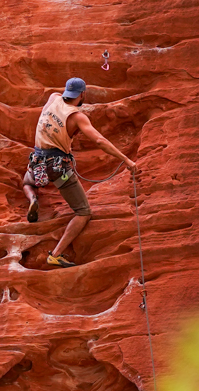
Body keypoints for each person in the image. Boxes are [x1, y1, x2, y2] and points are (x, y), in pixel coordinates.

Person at [23, 77, 136, 268]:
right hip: (58, 168)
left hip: (37, 162)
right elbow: (99, 141)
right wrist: (126, 160)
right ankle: (56, 255)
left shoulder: (53, 98)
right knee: (83, 212)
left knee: (27, 182)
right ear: (83, 94)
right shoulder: (77, 117)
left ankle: (33, 198)